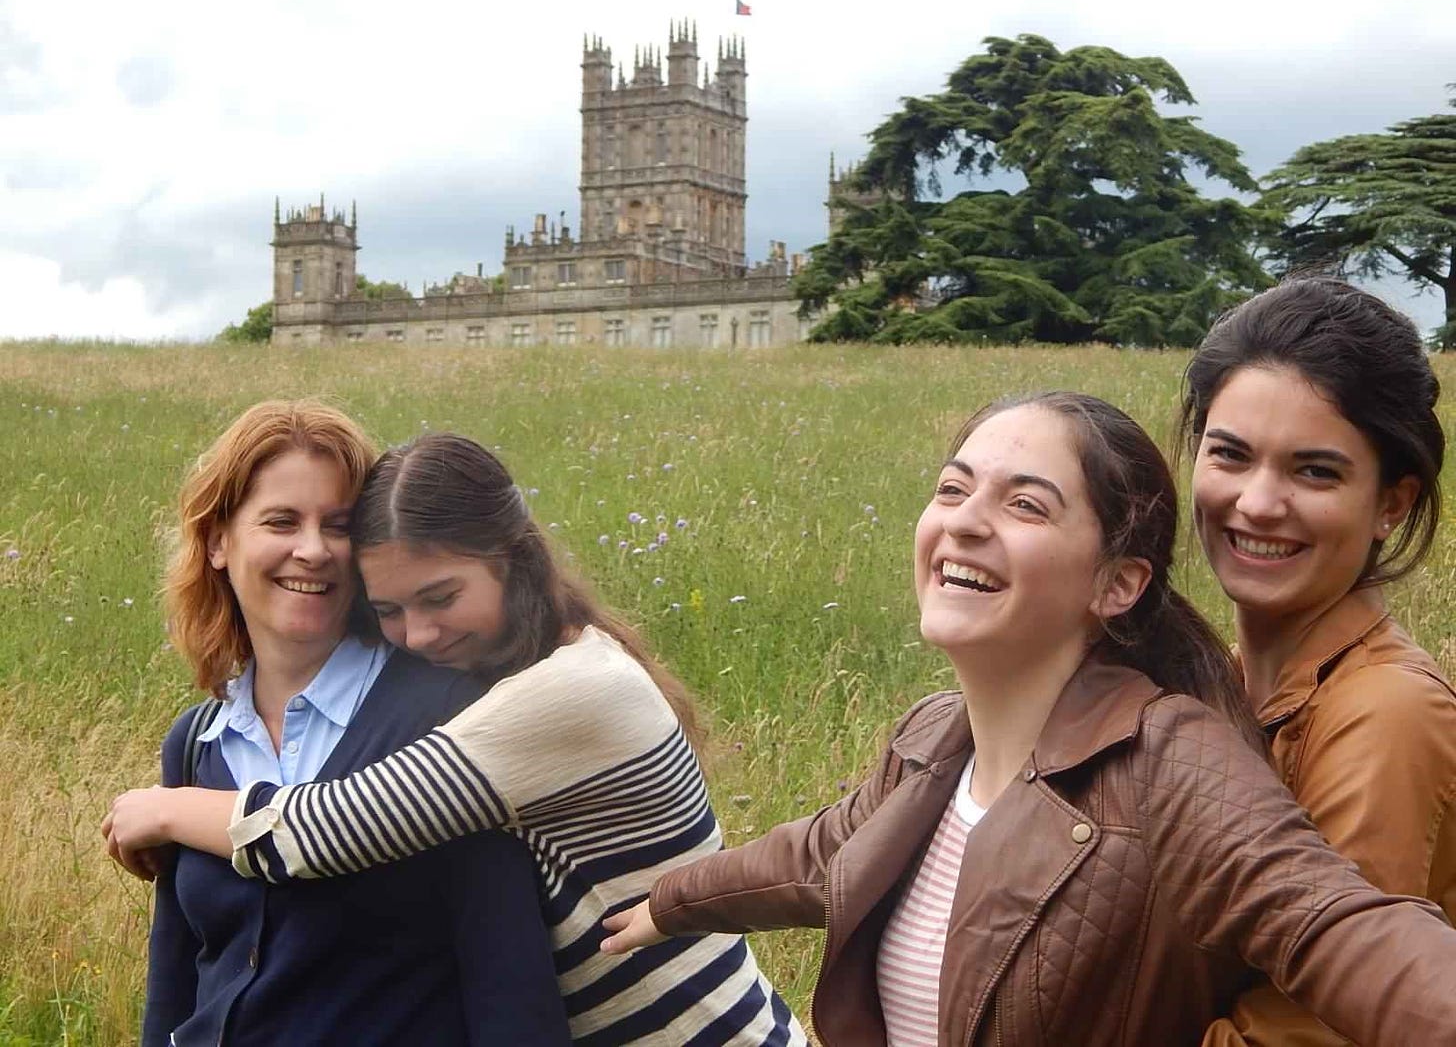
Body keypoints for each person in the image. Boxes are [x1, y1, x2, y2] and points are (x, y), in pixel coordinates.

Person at [598, 392, 1456, 1046]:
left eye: (1025, 505)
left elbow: (1330, 921)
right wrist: (670, 903)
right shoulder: (934, 738)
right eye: (953, 489)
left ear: (1117, 583)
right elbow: (829, 849)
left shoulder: (1169, 752)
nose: (965, 523)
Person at [105, 432, 807, 1046]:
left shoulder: (553, 695)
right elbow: (183, 965)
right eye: (391, 610)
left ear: (513, 557)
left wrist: (162, 809)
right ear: (217, 542)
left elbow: (318, 830)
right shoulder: (200, 738)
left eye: (440, 597)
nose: (420, 635)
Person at [110, 402, 567, 1047]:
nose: (313, 550)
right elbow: (178, 977)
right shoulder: (194, 744)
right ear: (218, 541)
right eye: (281, 521)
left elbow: (509, 983)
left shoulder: (449, 715)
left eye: (340, 525)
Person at [1179, 277, 1456, 1047]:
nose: (1259, 503)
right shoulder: (1220, 682)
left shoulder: (1385, 713)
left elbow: (1311, 1030)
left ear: (1392, 503)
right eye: (1230, 454)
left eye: (1315, 471)